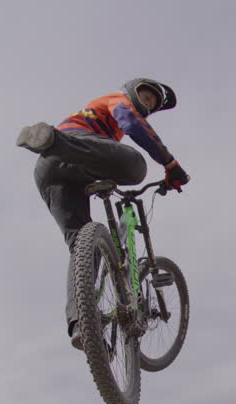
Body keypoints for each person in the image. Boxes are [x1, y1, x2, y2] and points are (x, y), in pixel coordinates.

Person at [17, 78, 190, 349]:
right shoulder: (116, 101)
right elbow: (132, 123)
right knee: (136, 167)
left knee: (83, 247)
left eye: (151, 105)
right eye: (145, 98)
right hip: (70, 144)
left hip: (51, 172)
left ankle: (82, 324)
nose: (146, 105)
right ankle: (53, 140)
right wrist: (170, 164)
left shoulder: (106, 135)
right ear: (131, 92)